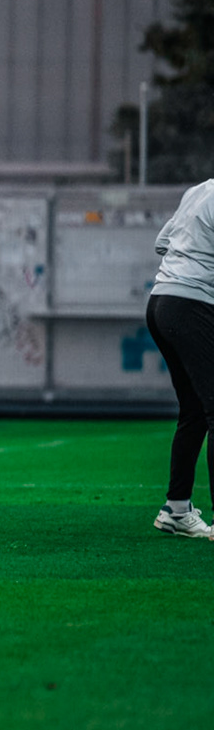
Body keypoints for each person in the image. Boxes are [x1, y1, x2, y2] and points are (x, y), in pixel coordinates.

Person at [144, 179, 214, 536]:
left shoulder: (198, 190)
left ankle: (176, 510)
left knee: (194, 411)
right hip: (190, 305)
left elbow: (161, 243)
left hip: (160, 303)